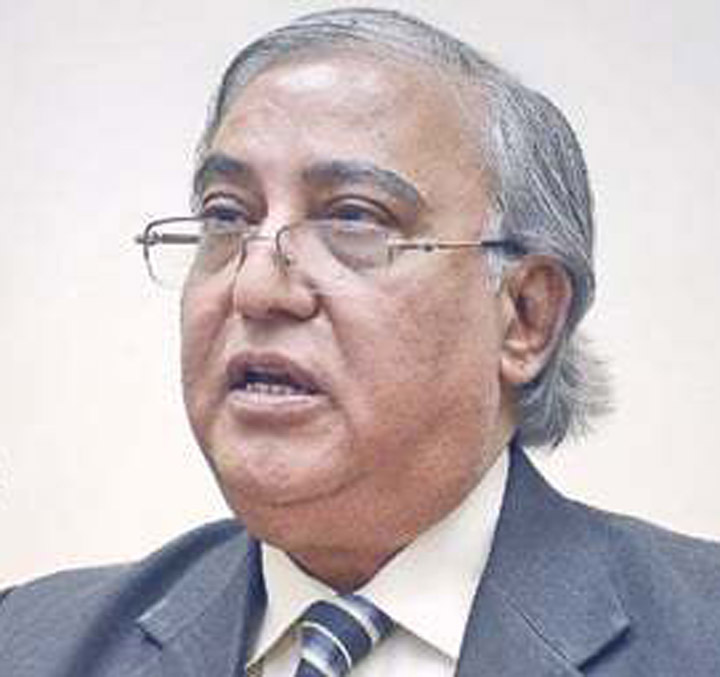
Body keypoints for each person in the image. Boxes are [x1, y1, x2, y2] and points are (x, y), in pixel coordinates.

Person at [2, 7, 719, 676]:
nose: (256, 286)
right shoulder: (31, 642)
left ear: (525, 316)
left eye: (352, 218)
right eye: (226, 216)